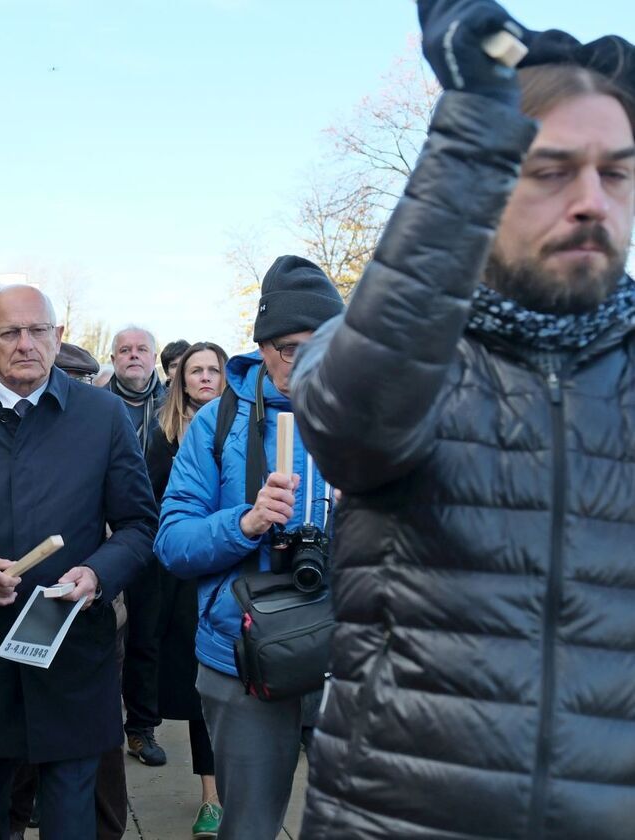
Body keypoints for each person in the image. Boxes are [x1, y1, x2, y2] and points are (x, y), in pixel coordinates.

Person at [289, 5, 635, 837]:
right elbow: (354, 422)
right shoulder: (384, 351)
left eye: (617, 173)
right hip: (396, 816)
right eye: (549, 170)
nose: (591, 200)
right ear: (482, 179)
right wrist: (477, 122)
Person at [0, 285, 157, 840]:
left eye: (39, 330)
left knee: (72, 818)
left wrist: (98, 574)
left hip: (70, 647)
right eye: (9, 333)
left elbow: (138, 525)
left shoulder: (102, 415)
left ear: (58, 337)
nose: (26, 344)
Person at [154, 255, 344, 840]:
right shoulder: (216, 425)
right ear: (262, 346)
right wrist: (247, 521)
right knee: (250, 827)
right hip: (243, 659)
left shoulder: (368, 419)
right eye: (290, 347)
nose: (308, 360)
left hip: (350, 658)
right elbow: (172, 544)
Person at [145, 340, 228, 839]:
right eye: (194, 370)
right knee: (200, 689)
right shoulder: (163, 432)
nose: (203, 377)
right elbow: (150, 505)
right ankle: (211, 797)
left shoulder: (245, 425)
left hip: (236, 571)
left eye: (211, 369)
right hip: (181, 582)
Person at [104, 325, 170, 768]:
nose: (133, 356)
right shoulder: (95, 404)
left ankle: (141, 729)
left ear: (154, 357)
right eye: (124, 350)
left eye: (141, 349)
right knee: (100, 636)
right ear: (113, 359)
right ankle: (100, 725)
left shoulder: (172, 406)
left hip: (155, 536)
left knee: (146, 635)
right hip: (100, 536)